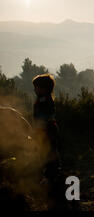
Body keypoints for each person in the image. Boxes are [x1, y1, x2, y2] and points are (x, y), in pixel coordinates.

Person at [32, 73, 63, 207]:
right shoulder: (43, 98)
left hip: (47, 130)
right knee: (48, 151)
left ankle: (51, 177)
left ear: (44, 88)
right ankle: (51, 175)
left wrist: (39, 129)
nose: (35, 90)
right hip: (47, 129)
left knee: (48, 152)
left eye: (37, 87)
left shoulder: (44, 100)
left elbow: (43, 117)